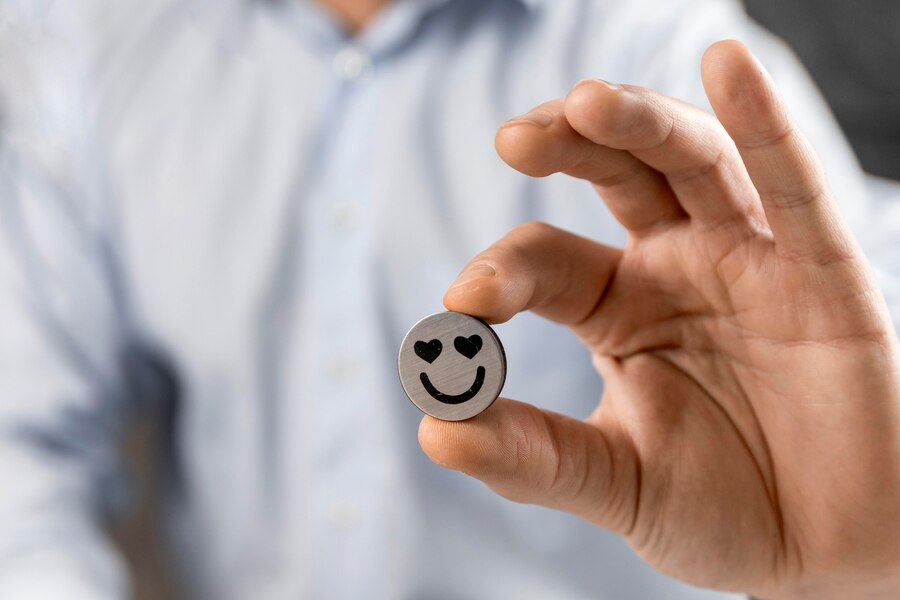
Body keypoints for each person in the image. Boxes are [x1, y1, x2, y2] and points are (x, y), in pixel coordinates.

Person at [0, 1, 897, 599]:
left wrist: (852, 560)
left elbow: (857, 344)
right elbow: (22, 449)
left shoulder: (665, 45)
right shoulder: (81, 46)